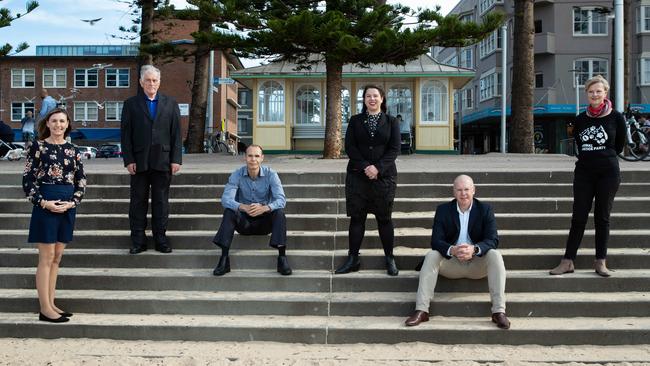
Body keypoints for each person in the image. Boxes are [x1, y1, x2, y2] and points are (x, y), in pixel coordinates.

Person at [405, 175, 510, 329]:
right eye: (459, 190)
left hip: (477, 264)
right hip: (452, 264)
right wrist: (452, 250)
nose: (463, 194)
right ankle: (422, 310)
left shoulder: (485, 209)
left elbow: (493, 240)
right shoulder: (443, 210)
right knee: (432, 255)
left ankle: (498, 312)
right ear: (454, 192)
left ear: (474, 190)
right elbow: (436, 241)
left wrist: (474, 249)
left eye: (467, 189)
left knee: (495, 254)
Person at [550, 75, 626, 277]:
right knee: (578, 217)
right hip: (584, 173)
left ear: (605, 93)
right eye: (591, 91)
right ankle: (568, 261)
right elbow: (580, 145)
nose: (595, 94)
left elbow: (619, 145)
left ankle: (600, 262)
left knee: (602, 218)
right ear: (586, 94)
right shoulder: (580, 119)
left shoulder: (616, 117)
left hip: (608, 173)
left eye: (598, 91)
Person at [22, 108, 86, 323]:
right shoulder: (38, 147)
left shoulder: (74, 149)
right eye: (54, 121)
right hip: (45, 203)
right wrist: (43, 203)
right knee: (46, 257)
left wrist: (73, 202)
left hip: (67, 205)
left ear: (68, 124)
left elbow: (81, 180)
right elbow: (28, 181)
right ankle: (44, 308)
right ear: (47, 124)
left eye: (62, 121)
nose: (58, 125)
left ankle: (51, 303)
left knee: (57, 258)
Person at [335, 85, 401, 276]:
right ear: (364, 100)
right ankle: (353, 258)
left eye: (375, 96)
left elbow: (394, 149)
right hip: (358, 177)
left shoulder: (391, 121)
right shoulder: (355, 121)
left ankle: (390, 258)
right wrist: (366, 166)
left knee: (385, 219)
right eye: (368, 96)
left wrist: (377, 168)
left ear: (382, 99)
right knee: (357, 219)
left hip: (384, 178)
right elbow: (350, 146)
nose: (372, 99)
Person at [121, 65, 182, 254]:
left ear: (159, 82)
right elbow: (126, 134)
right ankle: (138, 241)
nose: (151, 84)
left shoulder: (171, 103)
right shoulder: (130, 104)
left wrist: (176, 159)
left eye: (155, 80)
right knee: (137, 202)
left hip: (163, 161)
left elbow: (176, 134)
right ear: (141, 82)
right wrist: (128, 159)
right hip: (138, 161)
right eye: (148, 80)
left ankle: (160, 239)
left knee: (161, 202)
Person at [212, 144, 292, 276]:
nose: (253, 159)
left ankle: (282, 258)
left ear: (262, 158)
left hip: (264, 223)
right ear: (245, 158)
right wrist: (243, 207)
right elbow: (226, 199)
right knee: (229, 211)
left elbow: (281, 200)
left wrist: (265, 208)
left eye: (256, 156)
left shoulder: (271, 174)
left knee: (279, 213)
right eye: (250, 156)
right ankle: (224, 260)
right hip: (244, 222)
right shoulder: (237, 174)